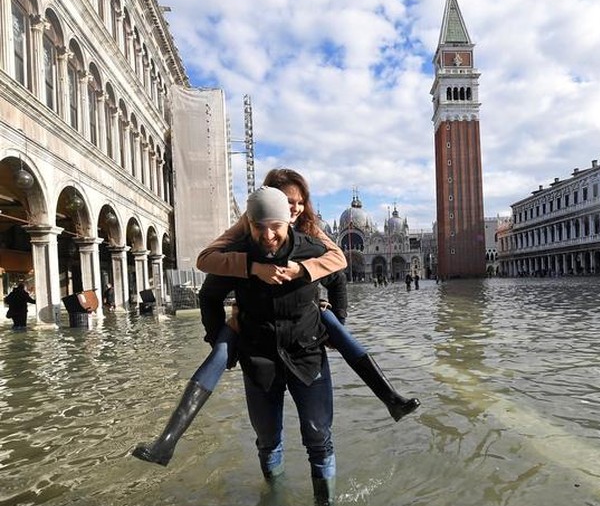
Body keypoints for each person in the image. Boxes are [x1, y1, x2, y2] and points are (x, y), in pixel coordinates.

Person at [132, 169, 419, 467]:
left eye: (298, 203)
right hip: (258, 352)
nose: (291, 210)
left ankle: (390, 399)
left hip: (306, 346)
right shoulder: (244, 236)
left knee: (320, 437)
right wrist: (250, 271)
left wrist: (305, 274)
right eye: (285, 201)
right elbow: (208, 276)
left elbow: (338, 268)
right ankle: (168, 442)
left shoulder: (310, 235)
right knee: (266, 438)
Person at [200, 186, 340, 506]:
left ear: (288, 221)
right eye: (259, 226)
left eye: (274, 226)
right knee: (267, 440)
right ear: (248, 224)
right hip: (258, 358)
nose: (268, 235)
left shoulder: (311, 248)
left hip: (307, 355)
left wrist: (337, 324)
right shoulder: (237, 255)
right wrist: (219, 341)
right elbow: (208, 296)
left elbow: (337, 279)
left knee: (319, 438)